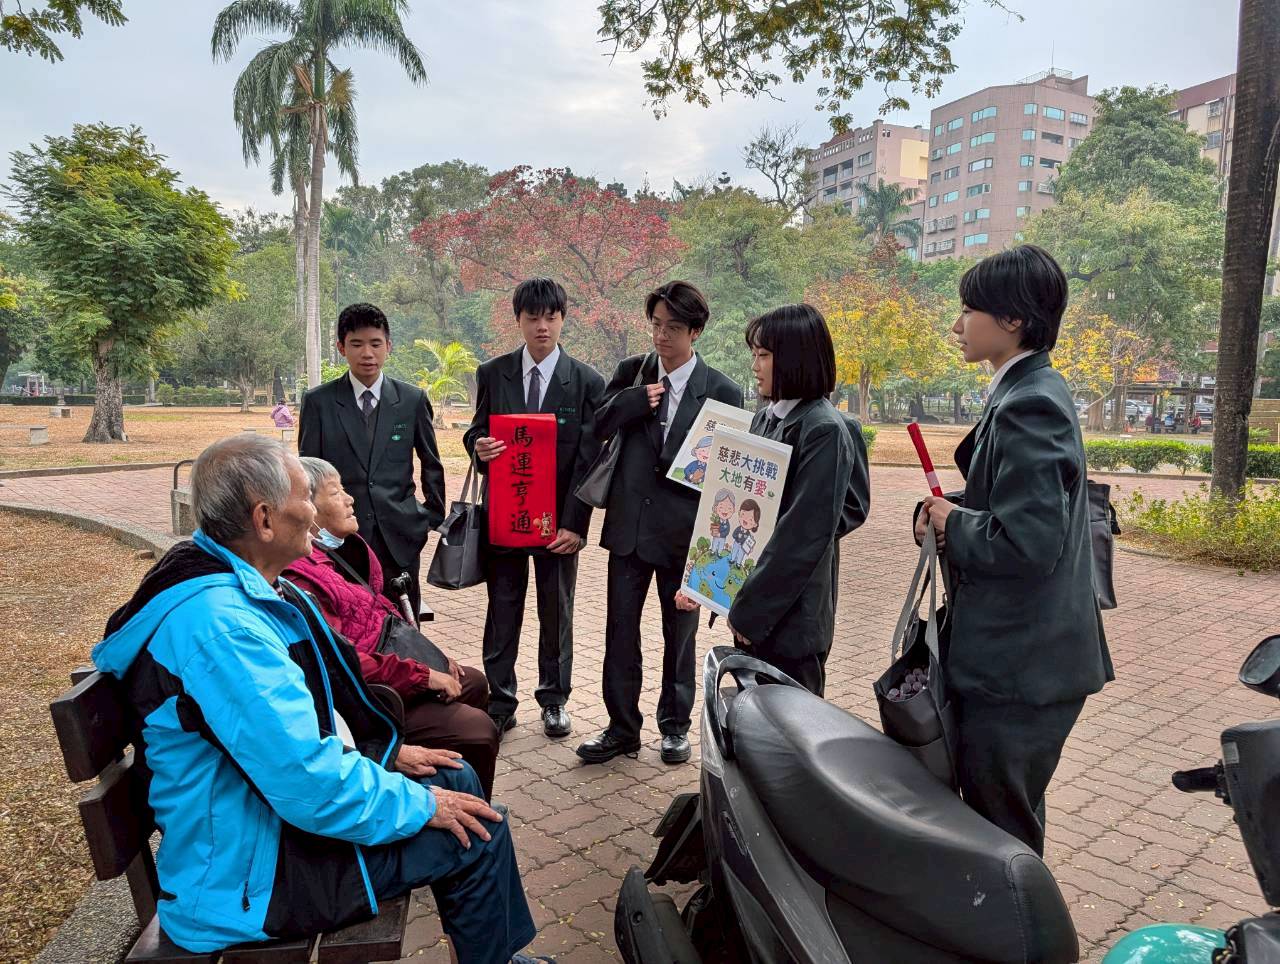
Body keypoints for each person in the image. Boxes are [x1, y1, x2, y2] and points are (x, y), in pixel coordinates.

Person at [92, 435, 541, 963]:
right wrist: (420, 805)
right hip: (249, 881)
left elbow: (287, 737)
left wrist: (384, 756)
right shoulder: (222, 631)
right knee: (480, 829)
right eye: (306, 495)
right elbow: (305, 780)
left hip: (257, 829)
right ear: (264, 519)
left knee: (458, 780)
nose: (314, 510)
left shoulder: (234, 581)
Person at [914, 245, 1114, 856]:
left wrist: (957, 521)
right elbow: (1017, 505)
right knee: (1001, 812)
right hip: (1021, 660)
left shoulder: (1030, 403)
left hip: (1022, 667)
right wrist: (954, 509)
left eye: (969, 309)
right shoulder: (1028, 391)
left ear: (1014, 320)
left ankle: (1013, 940)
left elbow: (1029, 544)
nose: (957, 325)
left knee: (1000, 830)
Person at [576, 281, 743, 765]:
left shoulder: (722, 390)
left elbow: (727, 479)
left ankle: (675, 726)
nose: (661, 337)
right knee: (620, 633)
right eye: (655, 325)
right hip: (629, 528)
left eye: (673, 328)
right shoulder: (633, 372)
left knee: (680, 636)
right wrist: (631, 403)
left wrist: (716, 554)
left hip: (685, 535)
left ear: (696, 332)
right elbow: (598, 425)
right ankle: (621, 728)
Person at [284, 457, 501, 799]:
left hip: (387, 665)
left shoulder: (343, 551)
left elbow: (380, 614)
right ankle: (454, 806)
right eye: (336, 491)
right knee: (478, 730)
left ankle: (457, 788)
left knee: (472, 682)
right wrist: (421, 674)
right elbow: (340, 661)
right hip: (368, 696)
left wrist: (433, 657)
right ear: (308, 509)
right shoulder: (302, 576)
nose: (350, 498)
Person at [464, 279, 605, 741]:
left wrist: (577, 524)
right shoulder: (493, 373)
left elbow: (591, 461)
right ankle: (500, 701)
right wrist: (478, 446)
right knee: (502, 609)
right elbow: (475, 431)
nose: (542, 326)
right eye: (532, 317)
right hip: (507, 516)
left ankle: (555, 700)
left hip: (558, 523)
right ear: (519, 320)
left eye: (551, 317)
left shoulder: (586, 381)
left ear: (564, 318)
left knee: (556, 611)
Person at [722, 305, 862, 697]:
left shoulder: (824, 430)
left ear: (795, 359)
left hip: (790, 616)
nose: (755, 366)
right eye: (755, 354)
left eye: (764, 355)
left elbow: (803, 535)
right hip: (755, 600)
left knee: (787, 737)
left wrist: (751, 611)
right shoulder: (765, 418)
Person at [299, 303, 446, 620]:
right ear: (341, 347)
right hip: (341, 539)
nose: (367, 353)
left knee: (405, 625)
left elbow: (431, 462)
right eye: (357, 344)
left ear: (388, 347)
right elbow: (307, 472)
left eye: (375, 343)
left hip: (400, 535)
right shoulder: (319, 403)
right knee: (347, 625)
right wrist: (315, 529)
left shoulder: (411, 400)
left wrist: (428, 517)